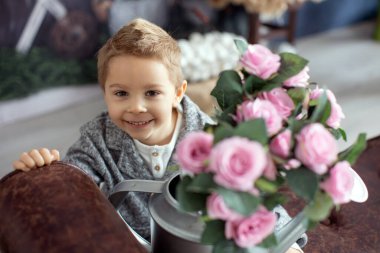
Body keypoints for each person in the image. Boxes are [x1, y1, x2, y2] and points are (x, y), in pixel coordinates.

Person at [12, 18, 305, 253]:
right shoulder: (98, 138)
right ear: (105, 94)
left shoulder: (210, 136)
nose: (136, 107)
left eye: (152, 93)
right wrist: (49, 166)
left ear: (178, 93)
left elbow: (249, 190)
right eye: (120, 93)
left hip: (195, 243)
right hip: (127, 242)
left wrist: (284, 238)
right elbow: (75, 181)